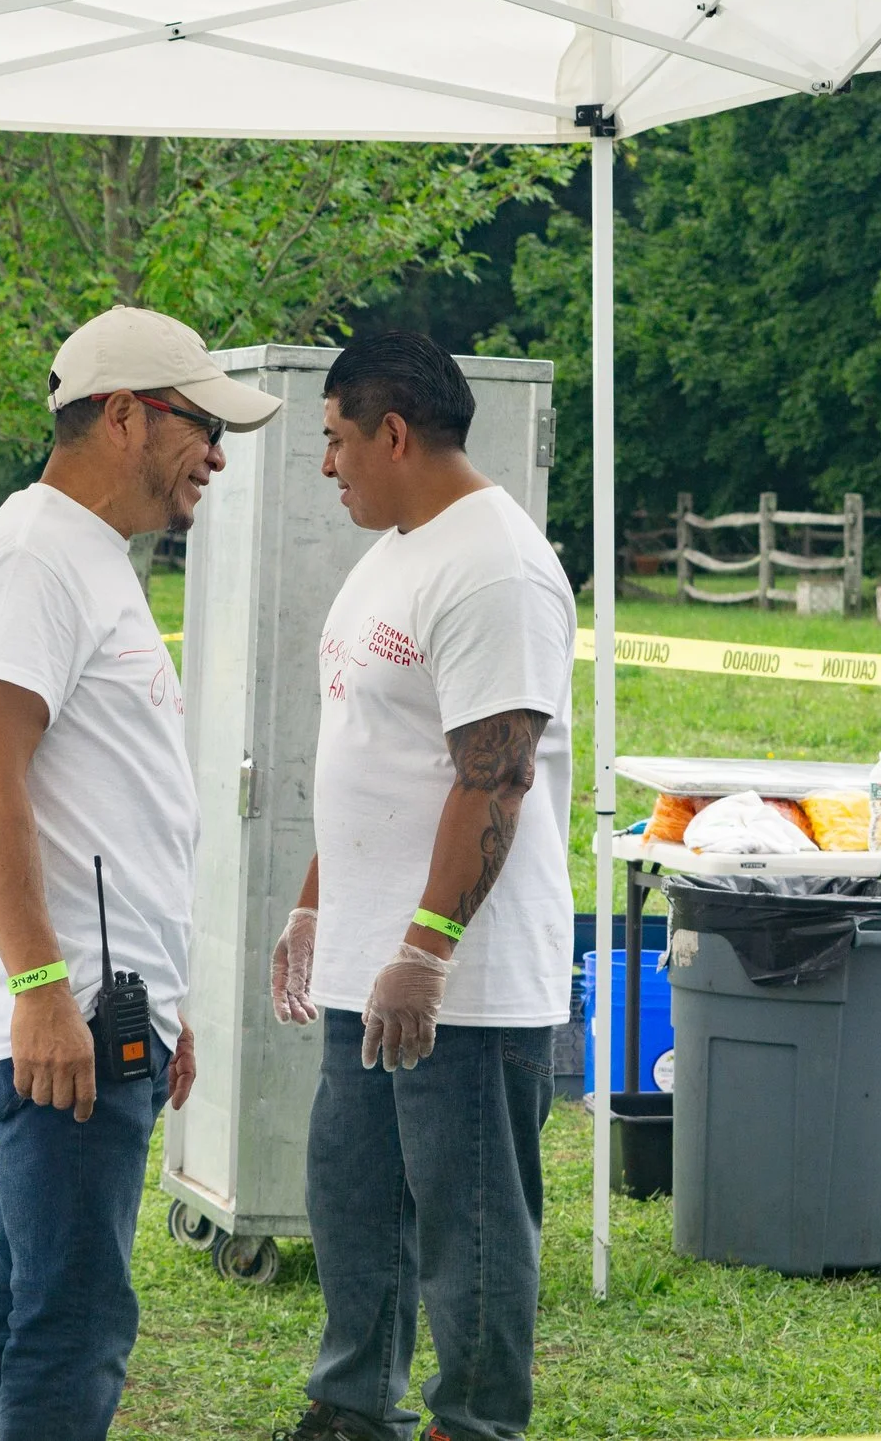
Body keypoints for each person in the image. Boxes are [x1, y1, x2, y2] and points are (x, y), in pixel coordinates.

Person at [0, 305, 278, 1441]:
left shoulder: (87, 557)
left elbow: (101, 802)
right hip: (68, 1017)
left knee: (37, 1314)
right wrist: (42, 989)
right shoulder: (36, 555)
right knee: (72, 1323)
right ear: (125, 415)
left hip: (100, 1006)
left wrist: (157, 995)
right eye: (203, 425)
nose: (218, 455)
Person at [268, 332, 575, 1441]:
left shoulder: (491, 563)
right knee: (353, 1203)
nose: (326, 464)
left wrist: (430, 946)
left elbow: (493, 775)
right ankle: (353, 1405)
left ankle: (475, 1422)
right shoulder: (395, 547)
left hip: (464, 978)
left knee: (471, 1226)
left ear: (392, 431)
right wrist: (316, 901)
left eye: (336, 438)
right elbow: (369, 750)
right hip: (369, 954)